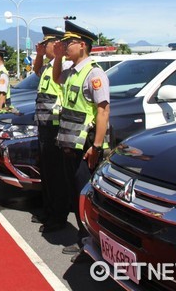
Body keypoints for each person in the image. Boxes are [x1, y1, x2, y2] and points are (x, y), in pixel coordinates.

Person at [52, 20, 110, 259]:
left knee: (85, 195)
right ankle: (85, 238)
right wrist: (56, 57)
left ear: (83, 46)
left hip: (86, 146)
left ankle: (89, 242)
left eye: (69, 43)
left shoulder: (94, 73)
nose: (65, 46)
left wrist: (96, 146)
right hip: (70, 143)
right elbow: (57, 79)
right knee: (76, 191)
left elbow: (103, 110)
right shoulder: (73, 71)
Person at [32, 26, 71, 233]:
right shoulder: (48, 66)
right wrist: (38, 55)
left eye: (45, 44)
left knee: (56, 175)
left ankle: (58, 215)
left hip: (55, 126)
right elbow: (35, 71)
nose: (43, 46)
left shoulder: (62, 64)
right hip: (44, 125)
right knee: (46, 173)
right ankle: (48, 210)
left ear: (56, 45)